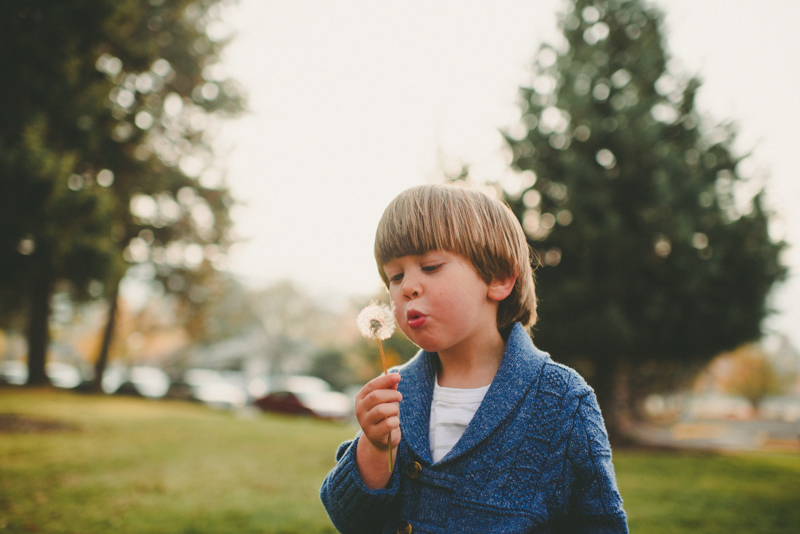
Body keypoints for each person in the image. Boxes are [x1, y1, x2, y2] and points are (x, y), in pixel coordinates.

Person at [321, 184, 628, 533]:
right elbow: (352, 521)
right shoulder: (395, 391)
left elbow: (600, 524)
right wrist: (374, 448)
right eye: (396, 275)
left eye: (431, 266)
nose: (408, 287)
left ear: (498, 278)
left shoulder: (562, 400)